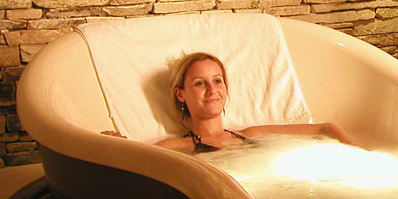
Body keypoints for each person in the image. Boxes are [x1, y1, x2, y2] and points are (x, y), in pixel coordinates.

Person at [104, 51, 354, 151]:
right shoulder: (175, 147)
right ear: (181, 94)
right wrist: (114, 146)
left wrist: (365, 159)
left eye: (217, 80)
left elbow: (325, 128)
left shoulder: (252, 134)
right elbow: (136, 163)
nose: (212, 89)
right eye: (199, 83)